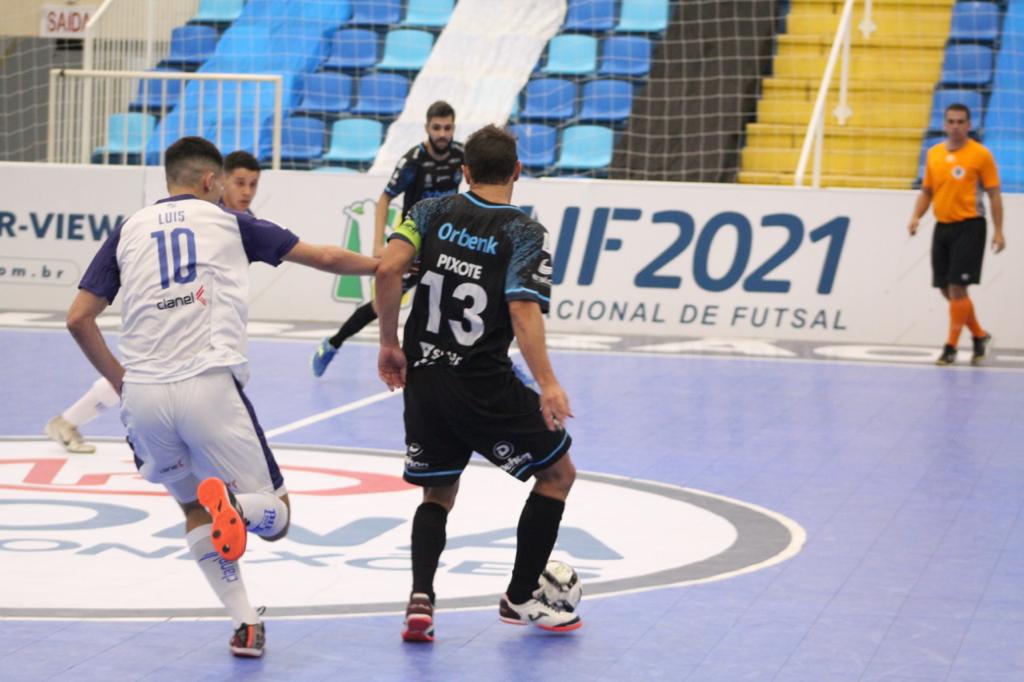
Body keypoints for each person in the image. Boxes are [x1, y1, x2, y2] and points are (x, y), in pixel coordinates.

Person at [65, 136, 377, 657]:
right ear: (212, 181)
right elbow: (325, 257)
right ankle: (237, 506)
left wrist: (121, 382)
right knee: (276, 517)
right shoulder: (230, 221)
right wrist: (386, 266)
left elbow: (78, 318)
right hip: (208, 385)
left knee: (193, 507)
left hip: (143, 397)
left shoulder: (128, 228)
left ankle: (245, 623)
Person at [375, 125, 582, 643]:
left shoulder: (429, 211)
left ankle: (421, 599)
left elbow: (388, 270)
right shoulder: (524, 232)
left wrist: (389, 342)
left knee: (438, 490)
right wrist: (548, 384)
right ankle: (520, 596)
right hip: (483, 383)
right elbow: (522, 309)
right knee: (558, 474)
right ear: (517, 171)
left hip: (425, 377)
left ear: (465, 172)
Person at [45, 149, 266, 453]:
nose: (247, 192)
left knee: (169, 377)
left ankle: (68, 421)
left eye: (253, 184)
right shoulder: (195, 214)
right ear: (218, 180)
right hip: (170, 307)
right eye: (240, 183)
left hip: (203, 315)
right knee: (147, 375)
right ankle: (68, 421)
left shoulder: (243, 221)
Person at [311, 100, 464, 377]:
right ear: (427, 128)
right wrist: (377, 244)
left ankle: (499, 366)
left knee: (463, 299)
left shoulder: (461, 155)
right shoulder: (413, 161)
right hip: (414, 245)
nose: (442, 134)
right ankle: (332, 344)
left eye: (447, 128)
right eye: (437, 128)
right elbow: (384, 199)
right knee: (382, 305)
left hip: (446, 242)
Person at [908, 103, 1006, 365]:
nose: (955, 127)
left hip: (970, 226)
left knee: (957, 288)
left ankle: (950, 347)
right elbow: (927, 191)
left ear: (969, 125)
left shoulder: (980, 155)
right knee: (945, 288)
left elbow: (994, 194)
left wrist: (998, 231)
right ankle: (979, 335)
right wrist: (916, 216)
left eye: (961, 122)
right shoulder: (934, 154)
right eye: (951, 121)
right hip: (943, 227)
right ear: (944, 124)